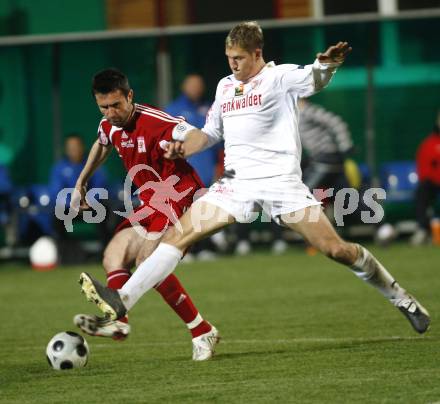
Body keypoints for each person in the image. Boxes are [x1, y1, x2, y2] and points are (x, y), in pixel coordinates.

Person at [79, 22, 430, 339]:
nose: (233, 64)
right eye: (229, 57)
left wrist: (327, 65)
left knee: (336, 250)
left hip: (282, 185)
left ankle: (401, 297)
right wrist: (181, 147)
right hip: (236, 185)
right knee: (177, 235)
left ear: (257, 53)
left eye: (239, 58)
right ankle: (122, 301)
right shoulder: (225, 86)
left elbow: (315, 78)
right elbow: (210, 133)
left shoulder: (280, 78)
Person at [71, 68, 219, 361]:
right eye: (104, 107)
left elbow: (194, 134)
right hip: (150, 200)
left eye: (117, 105)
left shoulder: (155, 121)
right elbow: (102, 143)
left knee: (147, 261)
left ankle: (201, 331)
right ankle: (119, 323)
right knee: (113, 255)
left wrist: (183, 147)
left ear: (130, 96)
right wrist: (81, 181)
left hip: (179, 195)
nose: (111, 112)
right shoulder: (109, 124)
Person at [165, 74, 226, 259]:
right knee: (184, 213)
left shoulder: (209, 108)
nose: (196, 89)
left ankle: (205, 248)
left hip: (207, 169)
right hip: (183, 171)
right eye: (192, 85)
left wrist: (220, 167)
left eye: (199, 85)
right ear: (184, 87)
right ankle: (185, 251)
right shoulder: (173, 110)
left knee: (205, 211)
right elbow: (167, 141)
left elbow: (218, 142)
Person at [50, 135, 110, 260]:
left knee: (105, 213)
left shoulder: (94, 164)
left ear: (82, 148)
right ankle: (66, 255)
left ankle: (105, 255)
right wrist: (73, 203)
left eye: (76, 147)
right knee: (56, 217)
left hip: (90, 207)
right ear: (66, 150)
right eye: (71, 148)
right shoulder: (59, 168)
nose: (74, 150)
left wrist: (87, 202)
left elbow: (100, 187)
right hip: (69, 208)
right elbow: (56, 192)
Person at [410, 110, 440, 245]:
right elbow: (424, 168)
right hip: (433, 182)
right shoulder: (430, 143)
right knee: (422, 192)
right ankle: (423, 229)